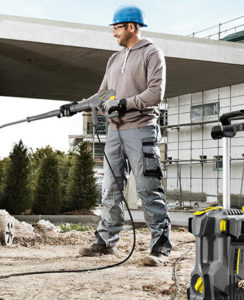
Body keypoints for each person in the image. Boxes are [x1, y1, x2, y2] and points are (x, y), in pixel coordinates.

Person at [60, 5, 172, 266]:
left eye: (117, 28)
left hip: (141, 129)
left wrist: (124, 104)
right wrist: (75, 106)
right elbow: (103, 95)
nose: (114, 34)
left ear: (131, 27)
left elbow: (156, 94)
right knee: (110, 189)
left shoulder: (152, 53)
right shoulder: (113, 59)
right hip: (114, 133)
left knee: (148, 188)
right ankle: (106, 242)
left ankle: (160, 247)